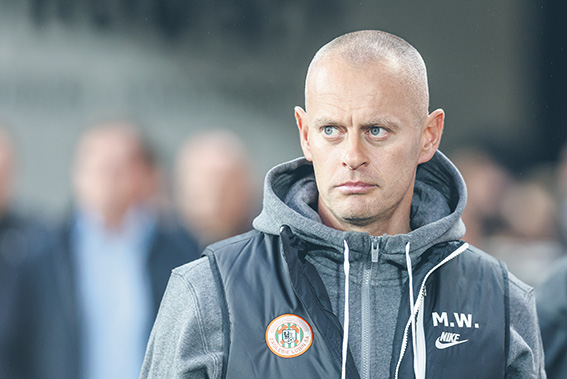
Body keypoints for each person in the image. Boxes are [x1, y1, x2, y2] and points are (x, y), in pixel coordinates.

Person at [140, 30, 546, 378]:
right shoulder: (210, 290)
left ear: (429, 135)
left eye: (376, 130)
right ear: (304, 133)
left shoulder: (501, 301)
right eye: (331, 129)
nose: (352, 154)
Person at [3, 122, 200, 379]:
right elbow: (12, 348)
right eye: (96, 166)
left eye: (118, 167)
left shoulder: (181, 252)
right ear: (77, 173)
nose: (106, 177)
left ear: (142, 175)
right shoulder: (38, 256)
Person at [175, 130, 258, 248]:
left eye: (227, 186)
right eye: (207, 181)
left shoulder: (264, 244)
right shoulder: (158, 248)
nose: (216, 196)